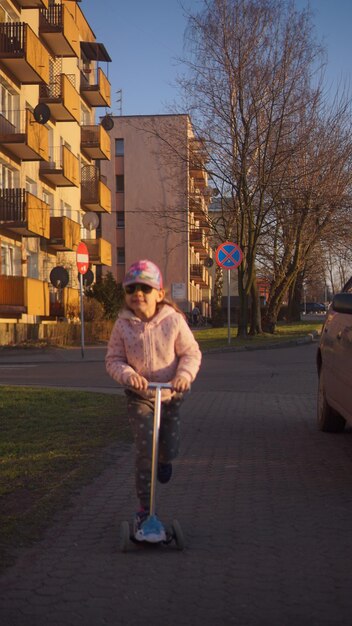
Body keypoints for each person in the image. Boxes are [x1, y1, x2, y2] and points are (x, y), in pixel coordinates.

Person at [105, 259, 202, 542]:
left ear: (159, 293)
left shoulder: (173, 320)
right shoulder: (123, 325)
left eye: (145, 288)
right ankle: (145, 511)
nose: (138, 294)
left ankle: (164, 460)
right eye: (132, 288)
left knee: (168, 448)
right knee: (146, 450)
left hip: (171, 394)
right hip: (141, 397)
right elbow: (113, 359)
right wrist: (127, 375)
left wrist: (184, 375)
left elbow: (191, 353)